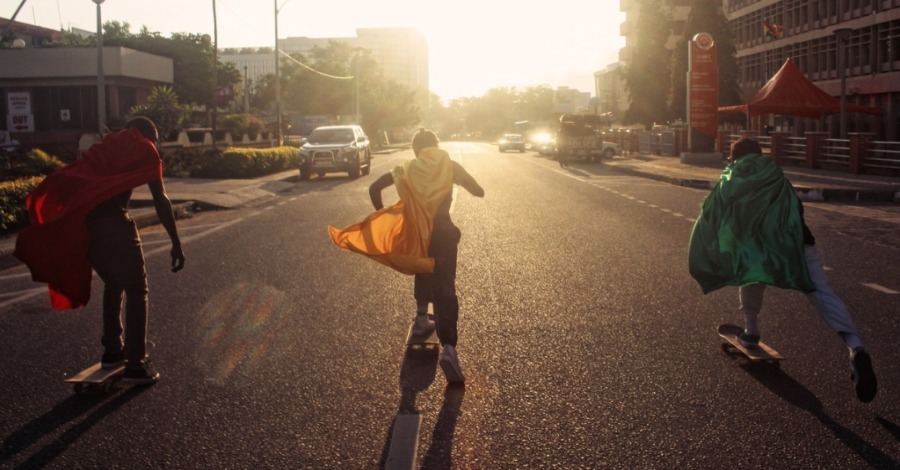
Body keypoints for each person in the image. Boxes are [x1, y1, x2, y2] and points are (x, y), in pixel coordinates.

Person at [688, 137, 877, 403]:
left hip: (759, 245)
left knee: (750, 274)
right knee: (821, 292)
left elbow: (713, 212)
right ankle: (855, 347)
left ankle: (751, 330)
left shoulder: (732, 177)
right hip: (799, 243)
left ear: (734, 158)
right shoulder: (776, 175)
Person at [15, 117, 185, 385]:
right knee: (137, 288)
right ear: (148, 135)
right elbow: (160, 197)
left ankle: (112, 350)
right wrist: (175, 241)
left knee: (113, 282)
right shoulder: (144, 148)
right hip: (114, 225)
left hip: (87, 226)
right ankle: (135, 365)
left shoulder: (104, 148)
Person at [329, 128, 484, 383]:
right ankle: (449, 349)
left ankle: (422, 317)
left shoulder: (406, 168)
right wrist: (457, 181)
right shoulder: (450, 165)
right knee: (446, 287)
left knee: (421, 266)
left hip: (417, 233)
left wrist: (387, 214)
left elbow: (374, 188)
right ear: (436, 145)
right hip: (444, 234)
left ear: (415, 149)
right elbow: (478, 190)